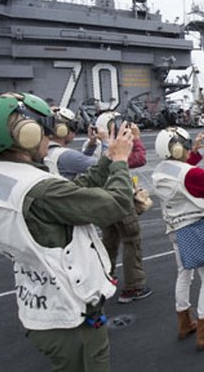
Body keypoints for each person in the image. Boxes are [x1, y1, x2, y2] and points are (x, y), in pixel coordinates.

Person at [0, 92, 136, 371]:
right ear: (28, 134)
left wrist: (106, 159)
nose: (49, 137)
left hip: (41, 306)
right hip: (74, 319)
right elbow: (116, 204)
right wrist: (120, 161)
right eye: (45, 130)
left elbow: (72, 191)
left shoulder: (2, 177)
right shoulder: (42, 190)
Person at [151, 127, 204, 350]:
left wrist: (193, 152)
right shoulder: (189, 174)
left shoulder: (160, 170)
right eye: (184, 148)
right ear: (176, 149)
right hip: (193, 227)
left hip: (174, 228)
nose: (187, 152)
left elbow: (182, 172)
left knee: (184, 273)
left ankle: (184, 323)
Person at [84, 111, 152, 304]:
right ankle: (134, 287)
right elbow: (139, 158)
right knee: (131, 241)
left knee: (109, 241)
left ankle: (105, 277)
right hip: (120, 202)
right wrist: (136, 138)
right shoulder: (116, 151)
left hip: (102, 204)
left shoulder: (93, 147)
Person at [43, 106, 101, 179]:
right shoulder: (66, 155)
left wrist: (91, 145)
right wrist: (106, 140)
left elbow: (77, 162)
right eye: (73, 126)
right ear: (62, 129)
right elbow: (103, 167)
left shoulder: (44, 151)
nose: (75, 131)